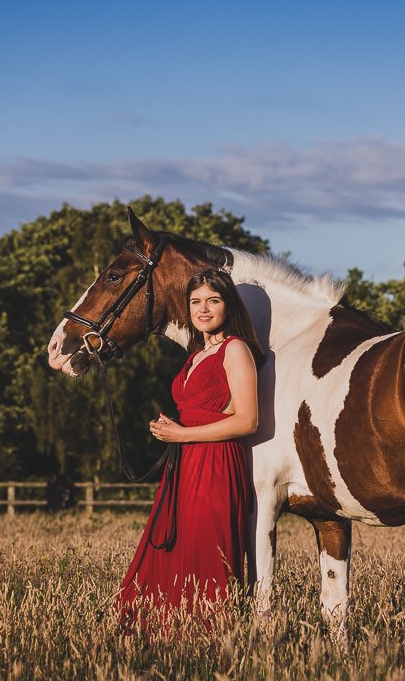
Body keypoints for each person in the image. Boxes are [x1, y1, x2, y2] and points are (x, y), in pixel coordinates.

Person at [114, 267, 263, 627]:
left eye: (213, 300)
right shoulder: (196, 353)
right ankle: (168, 634)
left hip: (216, 463)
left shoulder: (236, 350)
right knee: (173, 546)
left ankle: (208, 637)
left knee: (205, 549)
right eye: (196, 302)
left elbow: (248, 421)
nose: (203, 309)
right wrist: (172, 429)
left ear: (229, 305)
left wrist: (182, 435)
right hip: (185, 462)